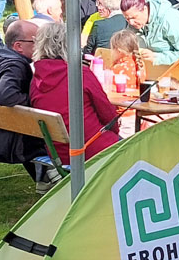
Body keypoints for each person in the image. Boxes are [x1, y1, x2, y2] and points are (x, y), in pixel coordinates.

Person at [0, 18, 61, 186]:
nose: (40, 45)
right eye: (36, 41)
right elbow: (4, 95)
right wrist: (36, 99)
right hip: (8, 142)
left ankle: (43, 178)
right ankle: (48, 178)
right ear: (18, 46)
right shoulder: (15, 65)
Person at [29, 21, 122, 163]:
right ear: (70, 44)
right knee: (134, 147)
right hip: (91, 148)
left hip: (59, 152)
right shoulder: (80, 74)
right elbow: (107, 113)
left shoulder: (36, 78)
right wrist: (114, 131)